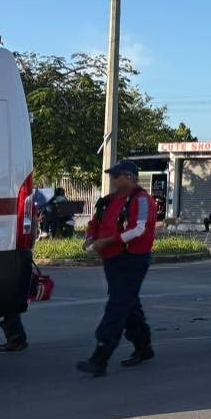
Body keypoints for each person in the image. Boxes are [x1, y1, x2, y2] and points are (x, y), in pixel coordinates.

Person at [76, 160, 158, 376]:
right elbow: (95, 224)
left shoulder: (141, 200)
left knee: (118, 304)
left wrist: (109, 241)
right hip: (111, 259)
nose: (112, 180)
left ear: (129, 177)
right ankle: (143, 346)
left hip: (133, 259)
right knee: (127, 303)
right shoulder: (107, 201)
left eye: (116, 176)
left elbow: (139, 229)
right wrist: (91, 239)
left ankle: (100, 357)